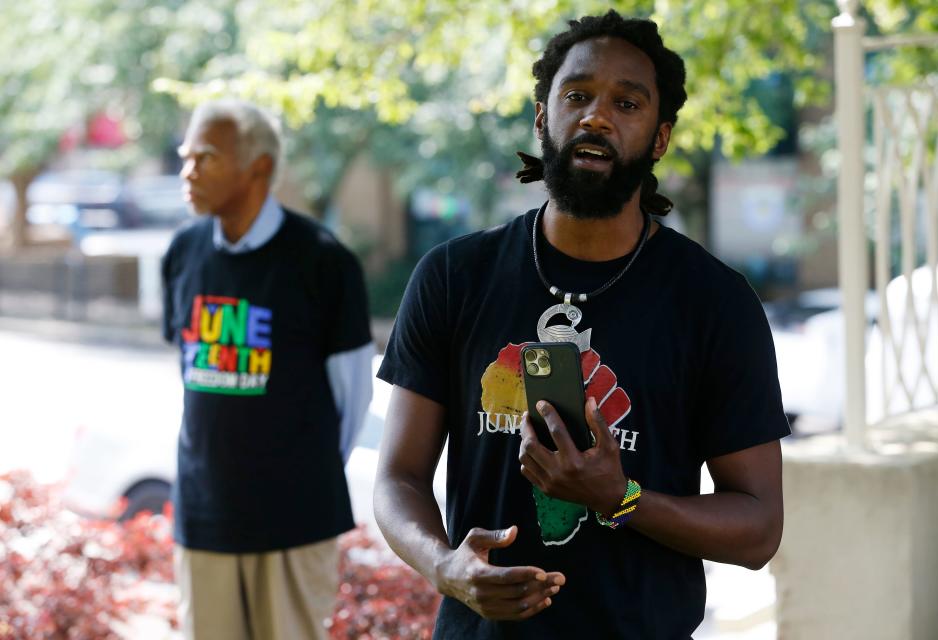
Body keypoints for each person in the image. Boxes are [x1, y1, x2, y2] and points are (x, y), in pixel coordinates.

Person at [374, 11, 789, 639]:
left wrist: (619, 498)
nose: (597, 116)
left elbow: (758, 529)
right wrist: (445, 567)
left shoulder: (715, 302)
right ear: (543, 117)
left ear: (659, 139)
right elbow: (398, 477)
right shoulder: (454, 276)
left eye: (627, 102)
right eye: (577, 95)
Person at [161, 99, 374, 640]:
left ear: (257, 166)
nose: (187, 170)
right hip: (203, 517)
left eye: (204, 157)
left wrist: (300, 477)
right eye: (185, 156)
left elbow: (352, 399)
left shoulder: (324, 261)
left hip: (294, 523)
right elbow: (191, 379)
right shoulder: (183, 252)